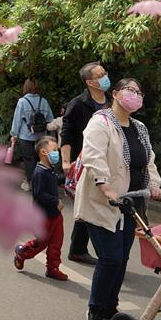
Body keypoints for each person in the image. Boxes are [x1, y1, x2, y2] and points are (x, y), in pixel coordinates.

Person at [74, 78, 161, 320]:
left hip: (131, 203)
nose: (135, 95)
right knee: (110, 257)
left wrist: (155, 185)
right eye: (130, 90)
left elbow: (149, 162)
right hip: (103, 201)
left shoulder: (139, 127)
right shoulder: (100, 122)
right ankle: (94, 309)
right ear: (115, 94)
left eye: (139, 91)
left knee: (122, 259)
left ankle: (109, 309)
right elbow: (93, 157)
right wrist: (106, 188)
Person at [61, 61, 112, 266]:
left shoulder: (111, 100)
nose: (105, 77)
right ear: (90, 82)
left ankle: (78, 249)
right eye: (100, 75)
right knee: (88, 204)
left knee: (95, 204)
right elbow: (67, 134)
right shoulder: (78, 104)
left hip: (109, 160)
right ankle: (81, 249)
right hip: (85, 162)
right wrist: (66, 162)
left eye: (105, 73)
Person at [14, 137, 68, 281]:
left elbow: (56, 180)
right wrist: (55, 201)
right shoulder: (39, 173)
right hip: (44, 216)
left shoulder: (49, 170)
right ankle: (22, 252)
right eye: (55, 150)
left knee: (57, 242)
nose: (57, 153)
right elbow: (39, 195)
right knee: (41, 243)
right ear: (43, 152)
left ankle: (53, 268)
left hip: (56, 215)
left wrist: (69, 175)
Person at [9, 79, 54, 191]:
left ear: (26, 87)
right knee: (42, 159)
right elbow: (50, 119)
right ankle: (44, 184)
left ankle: (31, 184)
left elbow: (17, 120)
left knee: (29, 160)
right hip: (41, 137)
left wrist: (14, 134)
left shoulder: (22, 102)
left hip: (26, 136)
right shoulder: (43, 101)